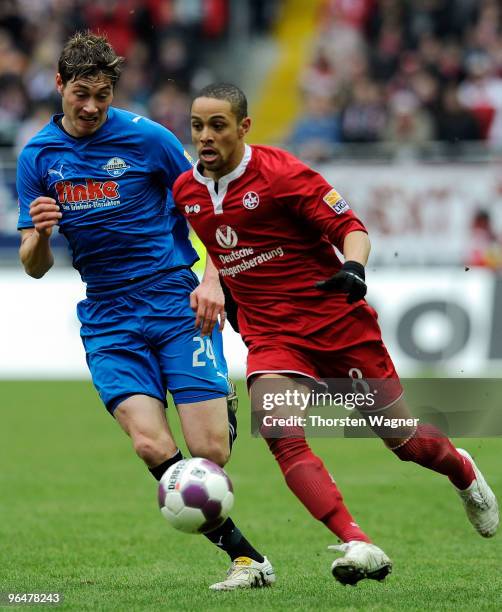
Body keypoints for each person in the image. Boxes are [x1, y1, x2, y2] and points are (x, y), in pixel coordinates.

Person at [173, 82, 499, 586]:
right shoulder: (187, 191)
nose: (206, 137)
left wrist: (353, 267)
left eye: (218, 125)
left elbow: (353, 227)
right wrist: (217, 286)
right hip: (273, 338)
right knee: (281, 433)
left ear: (244, 127)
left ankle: (462, 470)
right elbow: (221, 249)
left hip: (337, 326)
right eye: (197, 126)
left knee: (407, 443)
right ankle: (356, 540)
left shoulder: (282, 175)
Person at [16, 34, 275, 591]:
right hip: (108, 314)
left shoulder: (148, 139)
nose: (91, 107)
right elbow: (33, 266)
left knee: (209, 452)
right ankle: (247, 559)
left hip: (172, 299)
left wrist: (214, 279)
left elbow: (211, 207)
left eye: (103, 96)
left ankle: (217, 400)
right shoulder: (38, 157)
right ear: (59, 85)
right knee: (152, 446)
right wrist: (40, 234)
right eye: (81, 93)